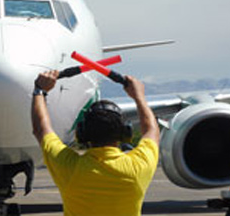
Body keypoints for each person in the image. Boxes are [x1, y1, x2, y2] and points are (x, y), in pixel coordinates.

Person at [31, 70, 160, 216]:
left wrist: (39, 90)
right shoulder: (137, 167)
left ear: (82, 133)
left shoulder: (70, 167)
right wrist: (139, 97)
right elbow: (151, 130)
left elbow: (41, 129)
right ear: (125, 132)